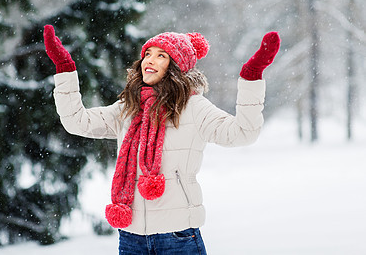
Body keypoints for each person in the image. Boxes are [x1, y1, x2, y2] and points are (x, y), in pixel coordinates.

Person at [43, 25, 281, 254]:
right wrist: (64, 68)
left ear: (176, 66)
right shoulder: (129, 107)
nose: (150, 60)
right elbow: (76, 120)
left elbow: (242, 133)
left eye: (161, 56)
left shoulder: (193, 107)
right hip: (131, 235)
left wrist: (252, 76)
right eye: (147, 54)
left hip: (177, 236)